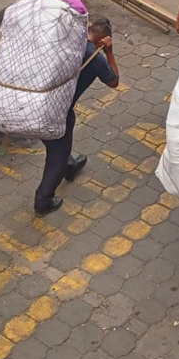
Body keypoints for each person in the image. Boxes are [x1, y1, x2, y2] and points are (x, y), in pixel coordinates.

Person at [33, 18, 119, 216]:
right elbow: (114, 82)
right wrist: (109, 53)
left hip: (37, 104)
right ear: (101, 41)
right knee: (57, 157)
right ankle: (43, 199)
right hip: (59, 113)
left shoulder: (68, 42)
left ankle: (70, 166)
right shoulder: (95, 57)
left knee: (57, 145)